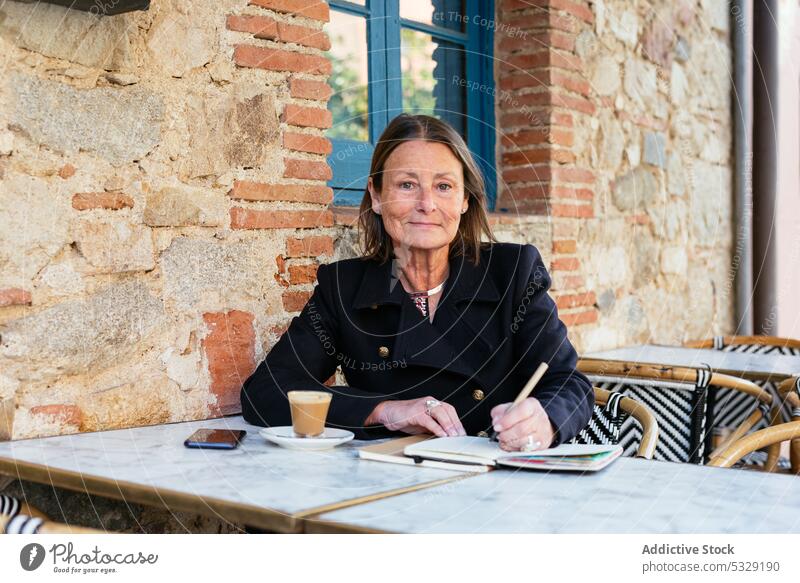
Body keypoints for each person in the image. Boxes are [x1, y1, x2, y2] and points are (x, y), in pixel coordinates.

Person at [240, 114, 593, 452]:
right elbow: (267, 392)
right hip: (386, 485)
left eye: (444, 186)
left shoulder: (513, 272)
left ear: (464, 200)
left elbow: (569, 383)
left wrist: (544, 420)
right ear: (376, 196)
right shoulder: (343, 288)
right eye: (407, 185)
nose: (426, 204)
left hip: (496, 484)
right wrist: (382, 410)